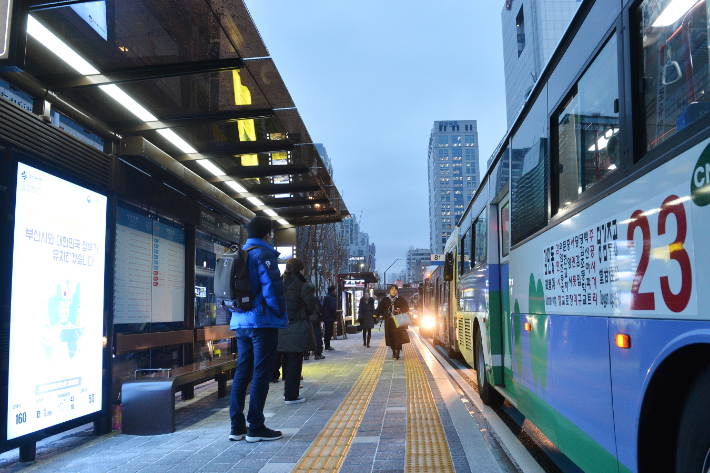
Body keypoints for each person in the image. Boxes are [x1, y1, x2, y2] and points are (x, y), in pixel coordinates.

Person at [228, 216, 287, 443]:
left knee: (242, 373)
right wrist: (280, 313)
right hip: (261, 323)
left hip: (240, 323)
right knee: (261, 373)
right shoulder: (264, 254)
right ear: (267, 235)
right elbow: (272, 289)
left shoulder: (240, 254)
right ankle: (256, 426)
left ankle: (236, 427)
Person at [277, 258, 317, 404]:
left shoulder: (279, 284)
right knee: (295, 362)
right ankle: (291, 396)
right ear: (300, 270)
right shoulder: (302, 286)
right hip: (297, 329)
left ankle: (287, 392)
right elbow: (311, 307)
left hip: (282, 328)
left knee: (287, 361)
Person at [375, 285, 410, 360]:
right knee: (391, 336)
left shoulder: (400, 299)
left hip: (398, 320)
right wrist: (375, 315)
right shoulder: (385, 299)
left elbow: (406, 307)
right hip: (389, 321)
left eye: (395, 290)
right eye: (392, 290)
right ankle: (393, 350)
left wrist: (400, 309)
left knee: (398, 336)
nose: (394, 291)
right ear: (389, 291)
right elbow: (380, 308)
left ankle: (398, 352)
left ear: (397, 291)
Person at [309, 285, 325, 360]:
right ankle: (318, 353)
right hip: (315, 320)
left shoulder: (303, 298)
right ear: (314, 291)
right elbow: (320, 308)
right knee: (317, 336)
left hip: (307, 320)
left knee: (307, 336)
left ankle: (306, 354)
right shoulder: (315, 299)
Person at [322, 285, 338, 351]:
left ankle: (327, 345)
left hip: (325, 317)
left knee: (327, 331)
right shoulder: (331, 298)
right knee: (329, 331)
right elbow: (332, 308)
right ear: (333, 291)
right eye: (335, 290)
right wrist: (335, 315)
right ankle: (327, 346)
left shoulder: (326, 297)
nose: (335, 291)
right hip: (330, 317)